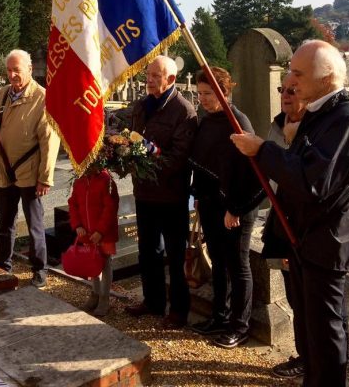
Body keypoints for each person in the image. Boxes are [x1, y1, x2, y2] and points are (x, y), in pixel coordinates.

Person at [231, 40, 349, 387]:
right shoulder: (317, 113)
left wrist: (263, 149)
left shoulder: (347, 120)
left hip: (327, 240)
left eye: (298, 73)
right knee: (310, 323)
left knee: (325, 328)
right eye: (290, 71)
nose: (290, 81)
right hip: (303, 237)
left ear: (325, 78)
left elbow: (313, 181)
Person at [188, 67, 263, 349]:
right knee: (218, 262)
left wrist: (236, 208)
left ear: (224, 92)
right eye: (200, 94)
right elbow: (203, 163)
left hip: (235, 207)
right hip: (210, 203)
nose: (203, 99)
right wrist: (198, 195)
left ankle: (239, 326)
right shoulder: (207, 121)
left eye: (208, 94)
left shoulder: (238, 123)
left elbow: (250, 174)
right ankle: (219, 316)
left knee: (237, 264)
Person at [124, 56, 197, 329]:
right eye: (149, 74)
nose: (150, 79)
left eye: (156, 75)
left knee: (175, 256)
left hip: (171, 196)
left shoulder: (183, 111)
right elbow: (131, 137)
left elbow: (178, 159)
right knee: (148, 251)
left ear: (171, 79)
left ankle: (178, 310)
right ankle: (152, 301)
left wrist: (145, 162)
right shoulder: (142, 106)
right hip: (143, 193)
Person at [0, 49, 60, 288]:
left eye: (17, 70)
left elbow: (49, 140)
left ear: (29, 69)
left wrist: (45, 178)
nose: (13, 74)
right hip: (4, 170)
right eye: (9, 70)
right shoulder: (3, 94)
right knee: (5, 222)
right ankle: (3, 265)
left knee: (35, 224)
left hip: (29, 171)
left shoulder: (43, 98)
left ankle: (39, 269)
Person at [266, 83, 309, 379]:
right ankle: (304, 354)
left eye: (293, 91)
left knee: (310, 300)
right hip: (281, 220)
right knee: (294, 297)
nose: (285, 95)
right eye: (283, 89)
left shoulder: (315, 130)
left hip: (304, 225)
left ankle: (313, 359)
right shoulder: (277, 125)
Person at [67, 167, 119, 316]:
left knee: (106, 262)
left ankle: (105, 297)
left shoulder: (106, 180)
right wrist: (77, 225)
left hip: (104, 233)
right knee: (92, 263)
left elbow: (110, 207)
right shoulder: (79, 181)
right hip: (87, 232)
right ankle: (95, 293)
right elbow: (73, 204)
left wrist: (100, 231)